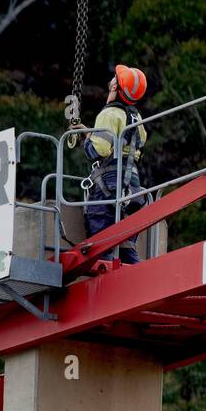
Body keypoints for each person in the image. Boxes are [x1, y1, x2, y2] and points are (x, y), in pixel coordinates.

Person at [82, 64, 151, 264]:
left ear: (115, 88)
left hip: (110, 183)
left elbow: (100, 150)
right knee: (125, 242)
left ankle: (104, 283)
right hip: (133, 185)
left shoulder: (109, 114)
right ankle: (137, 279)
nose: (111, 80)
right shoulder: (136, 117)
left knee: (101, 241)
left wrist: (87, 141)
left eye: (115, 79)